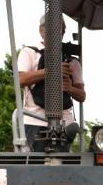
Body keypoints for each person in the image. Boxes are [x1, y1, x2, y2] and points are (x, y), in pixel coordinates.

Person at [17, 13, 86, 148]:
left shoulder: (72, 61)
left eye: (60, 29)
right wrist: (52, 71)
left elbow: (82, 95)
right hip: (35, 121)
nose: (56, 32)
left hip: (65, 123)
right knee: (35, 166)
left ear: (63, 32)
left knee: (61, 165)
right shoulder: (29, 53)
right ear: (41, 31)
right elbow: (20, 79)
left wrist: (70, 88)